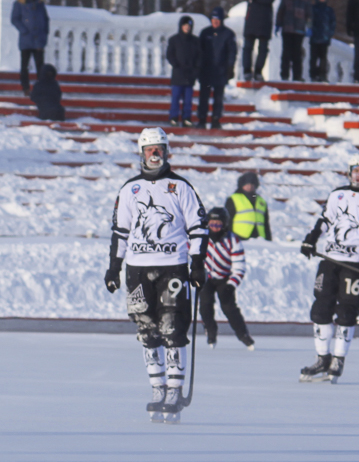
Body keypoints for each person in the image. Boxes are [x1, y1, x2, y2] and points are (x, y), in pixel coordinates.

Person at [104, 127, 207, 423]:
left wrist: (197, 263)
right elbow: (120, 232)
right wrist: (114, 267)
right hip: (137, 268)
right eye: (150, 149)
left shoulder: (181, 187)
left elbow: (198, 229)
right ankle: (157, 388)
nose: (155, 153)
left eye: (159, 148)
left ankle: (174, 389)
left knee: (173, 327)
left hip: (172, 265)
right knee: (146, 329)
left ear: (167, 150)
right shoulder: (129, 189)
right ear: (141, 152)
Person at [298, 155, 359, 383]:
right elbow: (325, 220)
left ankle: (338, 360)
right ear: (349, 173)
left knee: (347, 313)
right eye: (356, 171)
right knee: (320, 310)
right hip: (329, 260)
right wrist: (311, 239)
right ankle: (322, 358)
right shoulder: (336, 194)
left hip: (356, 265)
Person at [201, 207, 254, 350]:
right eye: (212, 224)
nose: (215, 228)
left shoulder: (232, 240)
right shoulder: (202, 238)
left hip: (225, 279)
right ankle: (210, 331)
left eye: (218, 225)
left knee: (229, 308)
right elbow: (188, 254)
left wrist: (231, 285)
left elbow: (239, 266)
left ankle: (243, 335)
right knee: (205, 304)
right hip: (206, 277)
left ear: (224, 224)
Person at [197, 7, 237, 129]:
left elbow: (232, 52)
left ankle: (216, 119)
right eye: (213, 19)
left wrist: (230, 67)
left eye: (217, 19)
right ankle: (202, 119)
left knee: (218, 98)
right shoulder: (205, 33)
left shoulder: (228, 34)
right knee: (204, 96)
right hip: (206, 71)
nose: (215, 21)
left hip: (220, 71)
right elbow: (199, 51)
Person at [11, 0, 49, 92]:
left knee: (40, 66)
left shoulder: (40, 4)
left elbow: (46, 19)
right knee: (25, 66)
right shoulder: (19, 4)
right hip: (26, 40)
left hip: (39, 40)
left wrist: (45, 33)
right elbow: (15, 19)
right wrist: (24, 30)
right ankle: (25, 87)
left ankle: (41, 88)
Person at [241, 0, 276, 81]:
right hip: (251, 21)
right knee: (247, 47)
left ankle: (258, 71)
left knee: (263, 49)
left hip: (265, 22)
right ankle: (246, 71)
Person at [166, 15, 201, 127]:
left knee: (188, 99)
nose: (187, 28)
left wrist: (196, 69)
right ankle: (174, 117)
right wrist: (175, 64)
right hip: (178, 74)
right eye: (185, 25)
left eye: (189, 26)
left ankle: (187, 118)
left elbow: (200, 56)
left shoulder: (195, 41)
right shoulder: (174, 40)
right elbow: (170, 54)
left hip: (190, 74)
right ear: (181, 26)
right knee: (175, 98)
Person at [275, 0, 309, 81]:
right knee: (286, 53)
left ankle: (297, 76)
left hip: (299, 30)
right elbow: (280, 13)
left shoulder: (305, 0)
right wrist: (278, 24)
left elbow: (309, 14)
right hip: (287, 30)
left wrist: (309, 26)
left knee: (297, 55)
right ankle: (284, 75)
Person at [225, 172, 271, 241]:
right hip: (239, 237)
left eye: (252, 184)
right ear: (241, 185)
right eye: (247, 184)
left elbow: (266, 223)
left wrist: (269, 240)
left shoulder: (261, 201)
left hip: (260, 239)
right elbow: (227, 221)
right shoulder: (233, 199)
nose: (250, 187)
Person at [310, 0, 336, 83]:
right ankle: (313, 75)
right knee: (313, 58)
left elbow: (332, 23)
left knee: (323, 58)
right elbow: (310, 21)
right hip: (314, 38)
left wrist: (329, 34)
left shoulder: (329, 10)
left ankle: (322, 75)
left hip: (324, 38)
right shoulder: (313, 9)